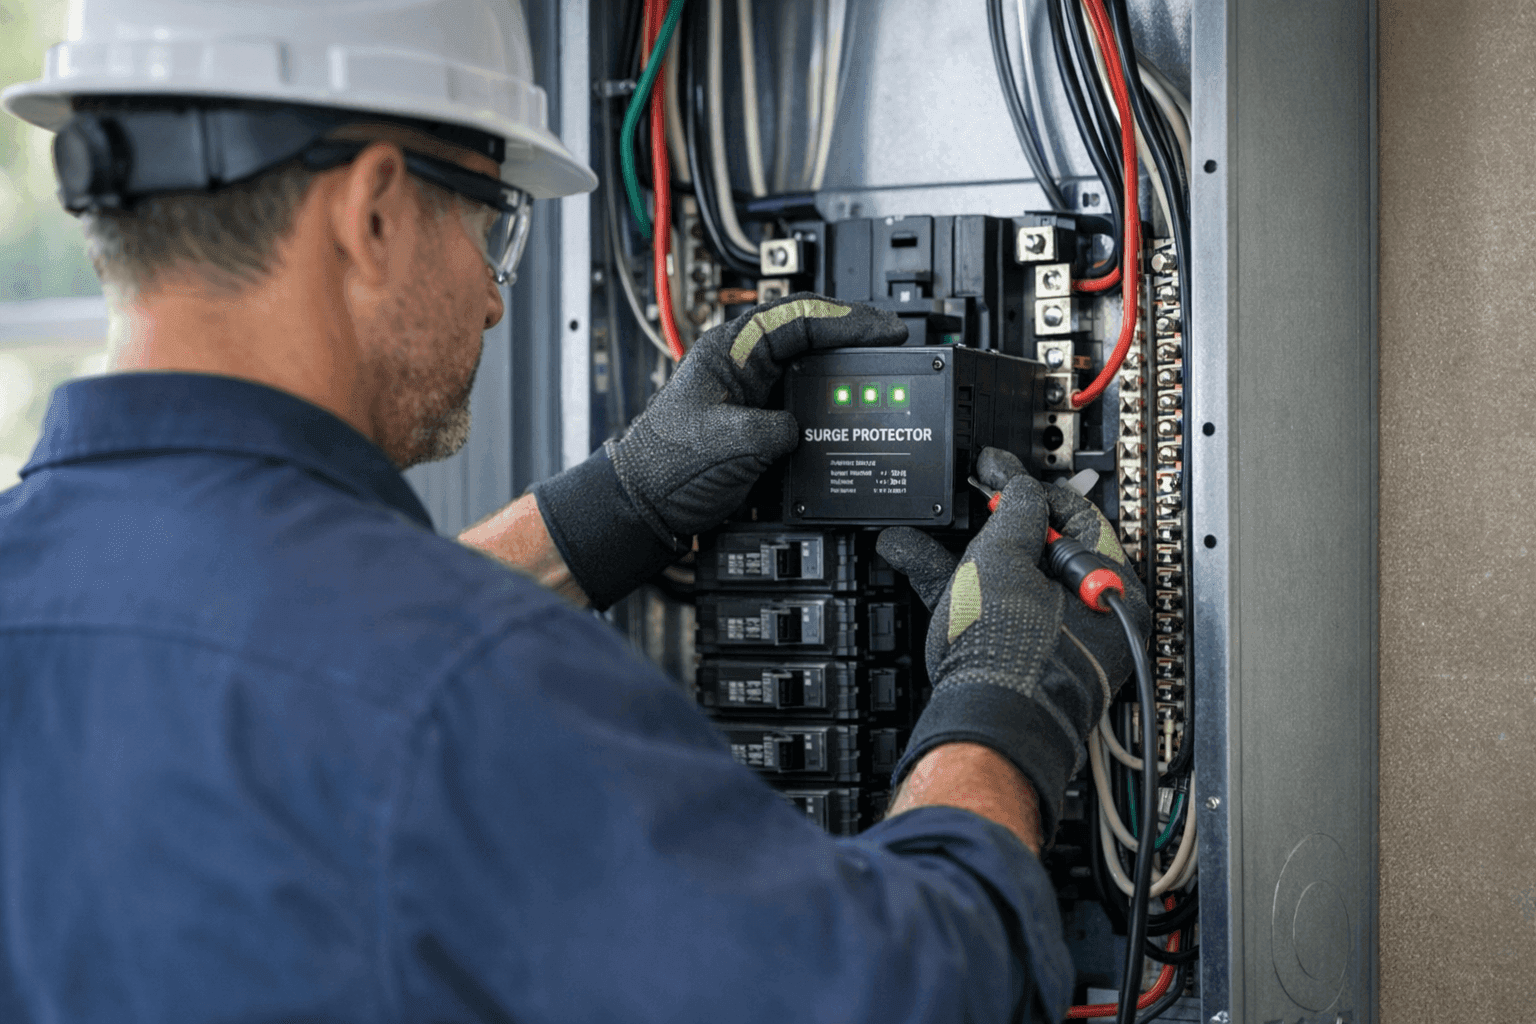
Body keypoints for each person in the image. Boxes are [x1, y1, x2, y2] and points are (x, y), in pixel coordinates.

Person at [0, 1, 1150, 1021]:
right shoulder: (469, 694)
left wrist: (606, 510)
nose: (499, 297)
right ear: (376, 211)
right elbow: (907, 992)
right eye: (495, 224)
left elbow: (270, 662)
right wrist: (1005, 707)